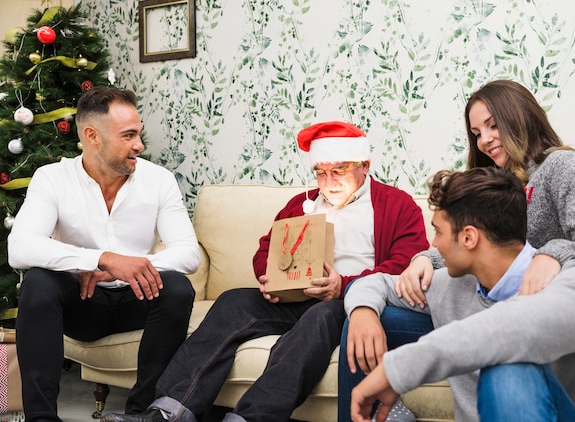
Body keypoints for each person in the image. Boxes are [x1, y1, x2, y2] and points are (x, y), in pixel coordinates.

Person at [99, 121, 430, 422]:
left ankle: (251, 419)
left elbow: (405, 263)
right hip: (295, 296)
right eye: (320, 172)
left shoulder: (397, 205)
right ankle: (170, 410)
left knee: (319, 317)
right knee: (232, 302)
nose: (328, 182)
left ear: (364, 166)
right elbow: (267, 248)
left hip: (347, 302)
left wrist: (341, 286)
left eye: (339, 171)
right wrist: (271, 278)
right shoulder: (302, 204)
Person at [338, 79, 575, 421]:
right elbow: (468, 240)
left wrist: (555, 255)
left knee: (506, 367)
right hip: (483, 298)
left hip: (551, 305)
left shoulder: (560, 167)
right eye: (476, 132)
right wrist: (423, 260)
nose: (484, 139)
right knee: (362, 317)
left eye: (493, 125)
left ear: (520, 117)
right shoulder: (488, 182)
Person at [8, 87, 201, 420]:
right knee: (37, 284)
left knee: (178, 289)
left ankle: (142, 412)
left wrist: (126, 268)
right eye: (128, 136)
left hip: (136, 300)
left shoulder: (159, 181)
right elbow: (20, 248)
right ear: (92, 136)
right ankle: (42, 418)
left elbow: (188, 254)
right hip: (83, 302)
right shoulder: (52, 179)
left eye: (138, 134)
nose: (139, 145)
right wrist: (99, 259)